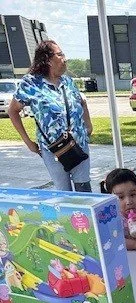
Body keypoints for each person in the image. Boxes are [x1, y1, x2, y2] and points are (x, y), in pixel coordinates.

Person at [8, 40, 93, 192]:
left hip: (78, 144)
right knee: (64, 193)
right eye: (60, 55)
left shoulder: (68, 82)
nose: (64, 58)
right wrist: (28, 142)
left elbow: (81, 101)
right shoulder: (31, 84)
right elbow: (12, 111)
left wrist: (88, 126)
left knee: (84, 191)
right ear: (47, 59)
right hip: (53, 150)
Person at [100, 169, 136, 251]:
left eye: (132, 195)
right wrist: (135, 245)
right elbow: (111, 241)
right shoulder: (112, 221)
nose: (128, 202)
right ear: (110, 200)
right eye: (121, 197)